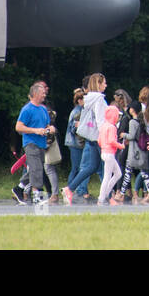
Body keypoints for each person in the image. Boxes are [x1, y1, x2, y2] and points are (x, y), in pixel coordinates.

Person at [63, 73, 108, 205]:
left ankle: (69, 188)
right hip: (99, 137)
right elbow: (100, 121)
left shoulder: (88, 99)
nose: (106, 85)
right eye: (104, 82)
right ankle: (108, 196)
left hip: (90, 137)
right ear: (98, 84)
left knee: (91, 166)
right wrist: (104, 136)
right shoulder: (99, 99)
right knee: (109, 167)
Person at [15, 81, 56, 206]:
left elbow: (47, 125)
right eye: (43, 93)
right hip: (30, 143)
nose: (45, 95)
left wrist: (50, 129)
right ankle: (37, 196)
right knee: (36, 169)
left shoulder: (43, 109)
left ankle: (19, 188)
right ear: (36, 94)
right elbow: (18, 127)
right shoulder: (27, 109)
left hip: (42, 144)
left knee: (35, 169)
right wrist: (35, 131)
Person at [97, 105, 125, 205]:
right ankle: (102, 198)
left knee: (118, 174)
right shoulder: (112, 127)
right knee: (107, 176)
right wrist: (120, 146)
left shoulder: (104, 126)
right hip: (109, 154)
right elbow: (111, 140)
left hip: (104, 152)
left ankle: (104, 195)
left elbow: (99, 141)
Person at [64, 88, 85, 194]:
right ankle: (70, 189)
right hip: (75, 143)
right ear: (79, 100)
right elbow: (74, 129)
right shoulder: (78, 111)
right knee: (76, 168)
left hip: (74, 143)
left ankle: (74, 189)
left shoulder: (78, 110)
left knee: (78, 167)